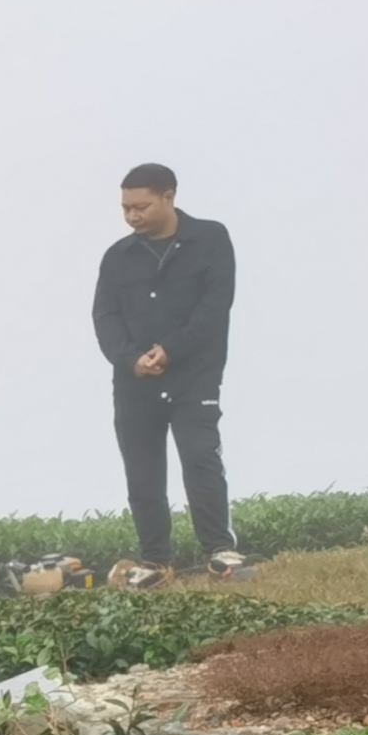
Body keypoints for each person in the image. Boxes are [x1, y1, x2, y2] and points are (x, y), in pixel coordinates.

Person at [93, 164, 241, 574]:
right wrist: (130, 358)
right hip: (134, 381)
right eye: (125, 208)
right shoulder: (116, 257)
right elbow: (104, 317)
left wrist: (170, 350)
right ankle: (156, 559)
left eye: (141, 206)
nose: (132, 216)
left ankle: (220, 551)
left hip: (194, 376)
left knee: (199, 458)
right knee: (142, 473)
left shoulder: (211, 238)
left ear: (169, 196)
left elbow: (214, 307)